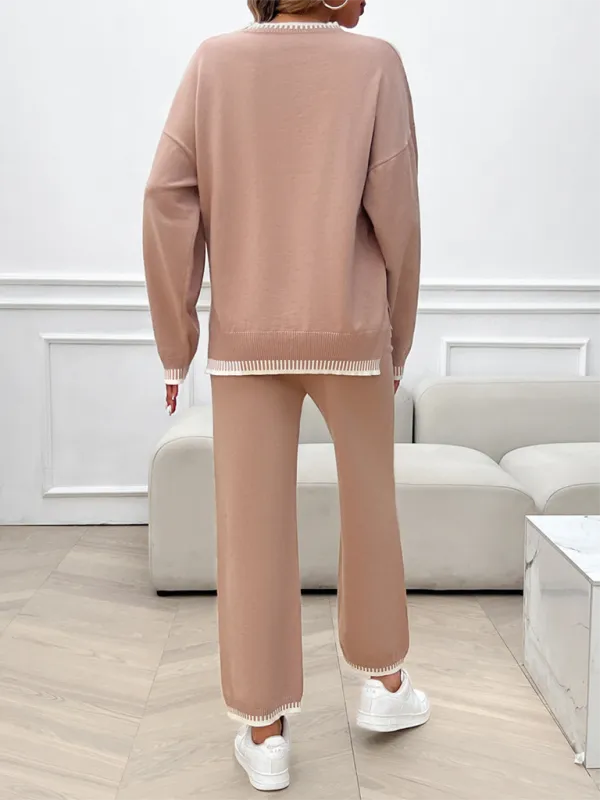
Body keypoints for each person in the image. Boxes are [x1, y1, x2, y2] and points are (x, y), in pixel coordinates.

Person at [143, 0, 429, 791]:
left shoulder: (213, 61)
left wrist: (176, 344)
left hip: (246, 338)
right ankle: (386, 687)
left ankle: (264, 733)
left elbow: (167, 195)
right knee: (372, 507)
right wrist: (397, 335)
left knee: (251, 528)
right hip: (350, 332)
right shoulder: (375, 63)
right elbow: (398, 214)